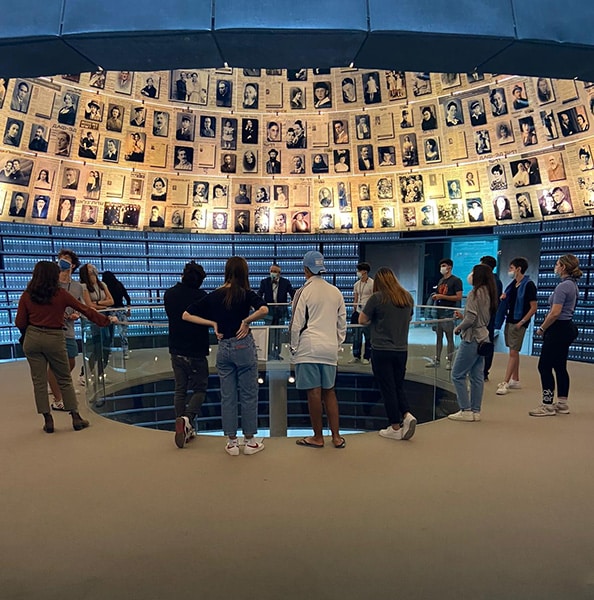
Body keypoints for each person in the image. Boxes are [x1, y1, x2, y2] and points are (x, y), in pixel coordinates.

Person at [182, 257, 268, 456]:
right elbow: (264, 309)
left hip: (223, 349)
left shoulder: (214, 295)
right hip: (243, 347)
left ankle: (231, 442)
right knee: (248, 395)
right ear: (243, 272)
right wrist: (246, 321)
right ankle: (249, 441)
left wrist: (212, 324)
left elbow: (186, 315)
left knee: (228, 396)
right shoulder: (245, 294)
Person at [16, 261, 114, 433]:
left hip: (32, 338)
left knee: (39, 382)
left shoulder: (27, 295)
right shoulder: (60, 294)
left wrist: (31, 329)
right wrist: (104, 321)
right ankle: (75, 417)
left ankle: (48, 420)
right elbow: (85, 309)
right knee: (64, 378)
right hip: (54, 337)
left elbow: (20, 322)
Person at [291, 251, 346, 449]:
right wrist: (337, 343)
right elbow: (342, 323)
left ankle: (317, 437)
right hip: (330, 349)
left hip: (309, 348)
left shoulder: (303, 292)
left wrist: (294, 347)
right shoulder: (336, 291)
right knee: (329, 392)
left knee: (314, 392)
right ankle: (337, 437)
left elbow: (296, 324)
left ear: (305, 269)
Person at [358, 267, 416, 440]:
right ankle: (406, 414)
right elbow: (410, 318)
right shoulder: (407, 297)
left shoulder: (377, 298)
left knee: (387, 389)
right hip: (401, 350)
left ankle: (395, 427)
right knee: (397, 386)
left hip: (381, 350)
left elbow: (362, 319)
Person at [163, 262, 209, 448]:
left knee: (180, 389)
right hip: (196, 350)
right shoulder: (202, 297)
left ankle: (181, 427)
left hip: (176, 348)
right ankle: (187, 419)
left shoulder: (169, 294)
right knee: (200, 389)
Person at [529, 255, 581, 417]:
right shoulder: (573, 285)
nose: (555, 267)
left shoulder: (562, 287)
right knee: (559, 366)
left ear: (563, 267)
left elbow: (555, 312)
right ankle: (562, 403)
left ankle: (547, 405)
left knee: (544, 366)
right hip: (567, 328)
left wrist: (542, 328)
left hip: (557, 330)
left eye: (557, 264)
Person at [447, 264, 498, 422]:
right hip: (484, 337)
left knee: (457, 374)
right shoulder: (489, 292)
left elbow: (471, 319)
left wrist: (458, 327)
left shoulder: (474, 293)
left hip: (472, 338)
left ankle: (465, 409)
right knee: (477, 376)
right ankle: (475, 410)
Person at [493, 257, 538, 395]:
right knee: (513, 350)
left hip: (519, 322)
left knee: (513, 352)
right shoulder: (513, 285)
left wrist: (522, 322)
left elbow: (533, 307)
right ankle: (515, 379)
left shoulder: (528, 285)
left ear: (519, 269)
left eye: (511, 268)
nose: (509, 271)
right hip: (510, 320)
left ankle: (505, 382)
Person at [46, 250, 83, 410]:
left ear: (73, 265)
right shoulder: (50, 284)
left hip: (69, 329)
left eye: (67, 260)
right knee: (54, 364)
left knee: (71, 361)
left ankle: (62, 385)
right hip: (52, 329)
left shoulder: (77, 286)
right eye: (61, 259)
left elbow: (81, 305)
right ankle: (58, 398)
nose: (62, 262)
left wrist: (77, 314)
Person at [79, 264, 115, 386]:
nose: (94, 270)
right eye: (90, 269)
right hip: (92, 321)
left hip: (106, 318)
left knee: (106, 347)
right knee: (95, 348)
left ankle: (100, 374)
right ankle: (86, 373)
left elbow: (112, 301)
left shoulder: (102, 285)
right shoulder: (83, 286)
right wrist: (103, 305)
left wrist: (98, 303)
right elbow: (89, 305)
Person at [427, 258, 463, 369]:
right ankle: (437, 359)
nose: (442, 268)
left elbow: (458, 297)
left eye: (444, 265)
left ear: (449, 267)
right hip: (438, 312)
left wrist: (442, 296)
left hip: (449, 313)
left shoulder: (456, 280)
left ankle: (450, 361)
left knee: (449, 338)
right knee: (438, 337)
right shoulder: (441, 281)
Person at [258, 264, 296, 360]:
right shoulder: (264, 282)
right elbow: (260, 294)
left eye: (274, 271)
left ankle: (277, 353)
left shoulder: (285, 282)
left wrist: (294, 301)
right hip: (269, 312)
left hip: (281, 312)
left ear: (279, 273)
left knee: (279, 334)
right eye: (271, 271)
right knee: (269, 333)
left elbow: (293, 293)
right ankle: (269, 354)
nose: (272, 273)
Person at [479, 256, 503, 382]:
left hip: (486, 317)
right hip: (490, 317)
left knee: (485, 343)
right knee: (487, 343)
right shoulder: (497, 280)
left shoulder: (490, 281)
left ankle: (483, 371)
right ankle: (484, 372)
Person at [102, 271, 131, 360]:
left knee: (110, 333)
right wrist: (129, 309)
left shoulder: (105, 287)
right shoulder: (119, 285)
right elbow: (127, 297)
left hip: (110, 311)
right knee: (123, 333)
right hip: (121, 310)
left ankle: (109, 351)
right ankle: (125, 351)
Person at [349, 262, 374, 365]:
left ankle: (367, 356)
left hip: (367, 312)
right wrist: (354, 309)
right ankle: (356, 355)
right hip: (358, 312)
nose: (358, 272)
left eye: (359, 270)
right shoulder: (356, 284)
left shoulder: (372, 283)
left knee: (368, 336)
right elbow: (355, 298)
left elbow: (374, 297)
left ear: (365, 272)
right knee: (356, 336)